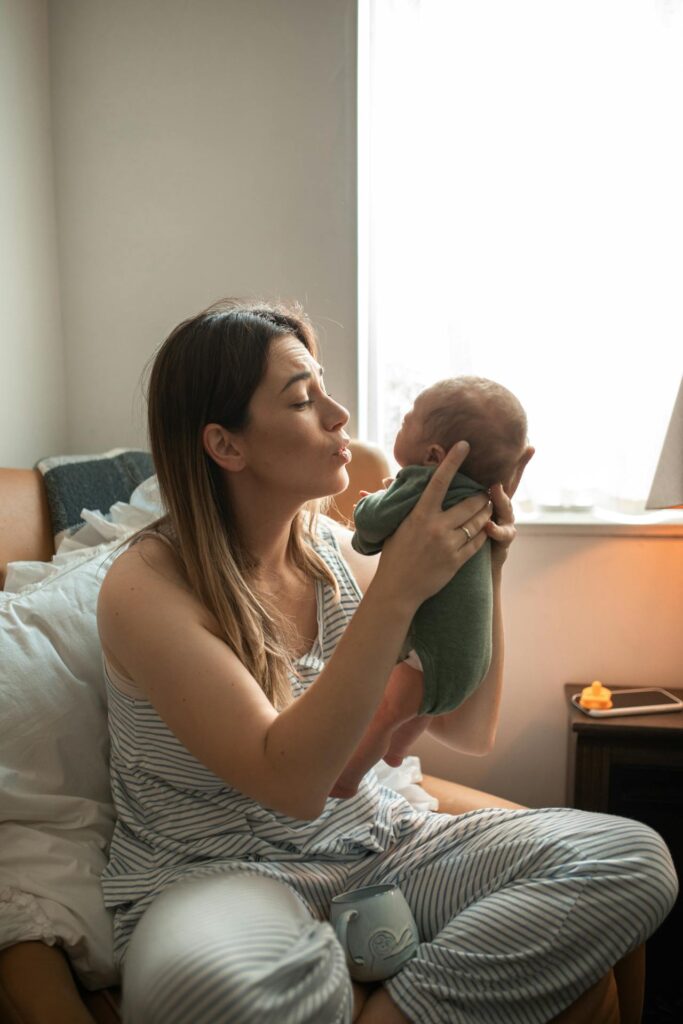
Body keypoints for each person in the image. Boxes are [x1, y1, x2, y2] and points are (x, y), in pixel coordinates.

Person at [97, 300, 677, 1024]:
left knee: (633, 858)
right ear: (226, 444)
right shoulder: (146, 586)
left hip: (380, 849)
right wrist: (399, 587)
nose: (340, 415)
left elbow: (465, 727)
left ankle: (400, 1010)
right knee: (225, 991)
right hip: (220, 875)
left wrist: (483, 560)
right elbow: (294, 784)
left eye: (327, 388)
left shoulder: (337, 553)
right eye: (304, 400)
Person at [331, 376, 533, 798]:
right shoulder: (464, 499)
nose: (339, 414)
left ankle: (356, 775)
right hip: (467, 663)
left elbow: (472, 737)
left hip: (382, 790)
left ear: (435, 456)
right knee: (408, 707)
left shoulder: (423, 496)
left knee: (393, 709)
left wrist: (494, 562)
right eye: (299, 400)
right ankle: (388, 757)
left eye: (406, 420)